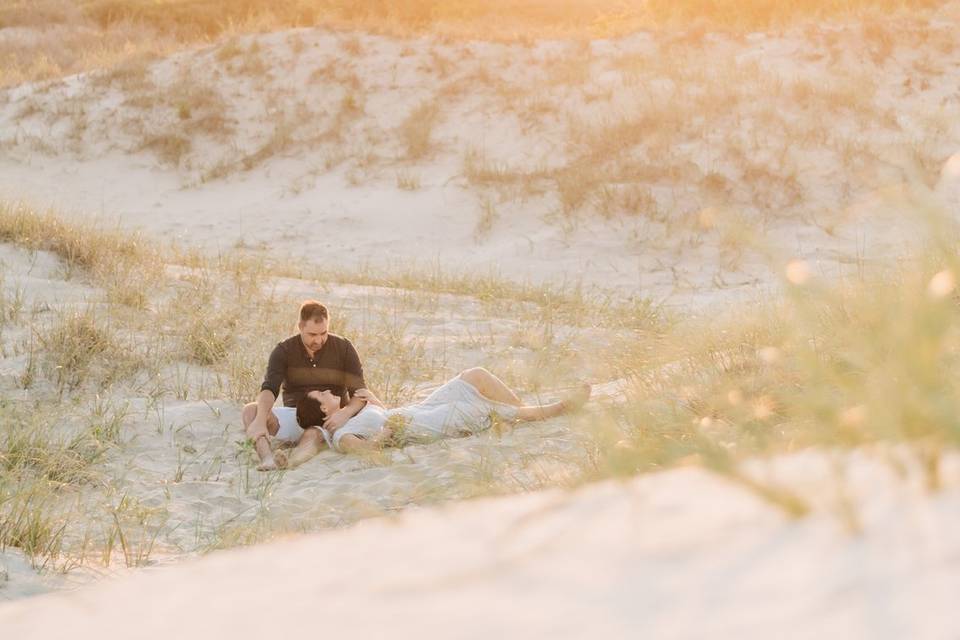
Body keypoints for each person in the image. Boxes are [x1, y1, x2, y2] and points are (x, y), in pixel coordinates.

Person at [274, 367, 591, 469]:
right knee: (477, 410)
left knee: (474, 376)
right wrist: (386, 433)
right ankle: (554, 410)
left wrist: (349, 409)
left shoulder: (349, 411)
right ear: (325, 410)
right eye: (326, 395)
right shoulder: (342, 436)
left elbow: (365, 396)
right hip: (416, 424)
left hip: (417, 409)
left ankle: (522, 412)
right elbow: (369, 452)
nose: (331, 392)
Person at [242, 300, 367, 471]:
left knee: (313, 433)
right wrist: (260, 420)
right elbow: (269, 388)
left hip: (332, 419)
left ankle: (291, 462)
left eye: (323, 333)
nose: (319, 340)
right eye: (312, 334)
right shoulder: (283, 350)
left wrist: (345, 413)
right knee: (251, 411)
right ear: (300, 326)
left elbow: (361, 393)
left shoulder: (343, 347)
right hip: (296, 415)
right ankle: (267, 459)